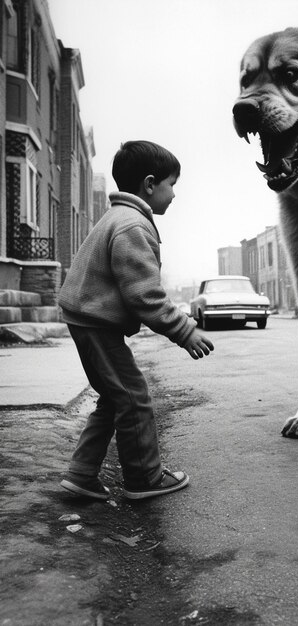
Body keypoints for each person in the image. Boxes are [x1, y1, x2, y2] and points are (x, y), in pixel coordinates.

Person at [58, 140, 214, 501]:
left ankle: (81, 475)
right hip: (95, 323)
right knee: (134, 397)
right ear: (149, 184)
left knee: (114, 398)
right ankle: (144, 478)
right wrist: (184, 332)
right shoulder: (132, 226)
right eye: (171, 184)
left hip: (87, 319)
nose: (174, 194)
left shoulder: (119, 218)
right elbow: (145, 295)